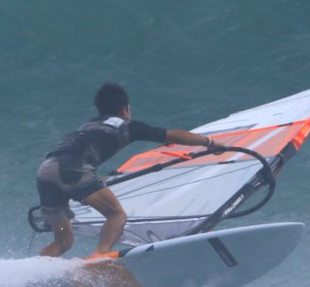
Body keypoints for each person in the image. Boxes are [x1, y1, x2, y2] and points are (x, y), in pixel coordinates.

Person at [36, 82, 225, 259]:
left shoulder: (88, 125)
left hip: (46, 170)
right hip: (73, 168)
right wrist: (209, 143)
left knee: (63, 241)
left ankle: (33, 274)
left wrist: (91, 177)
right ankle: (99, 257)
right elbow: (172, 134)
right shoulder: (126, 126)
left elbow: (78, 149)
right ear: (125, 109)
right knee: (116, 214)